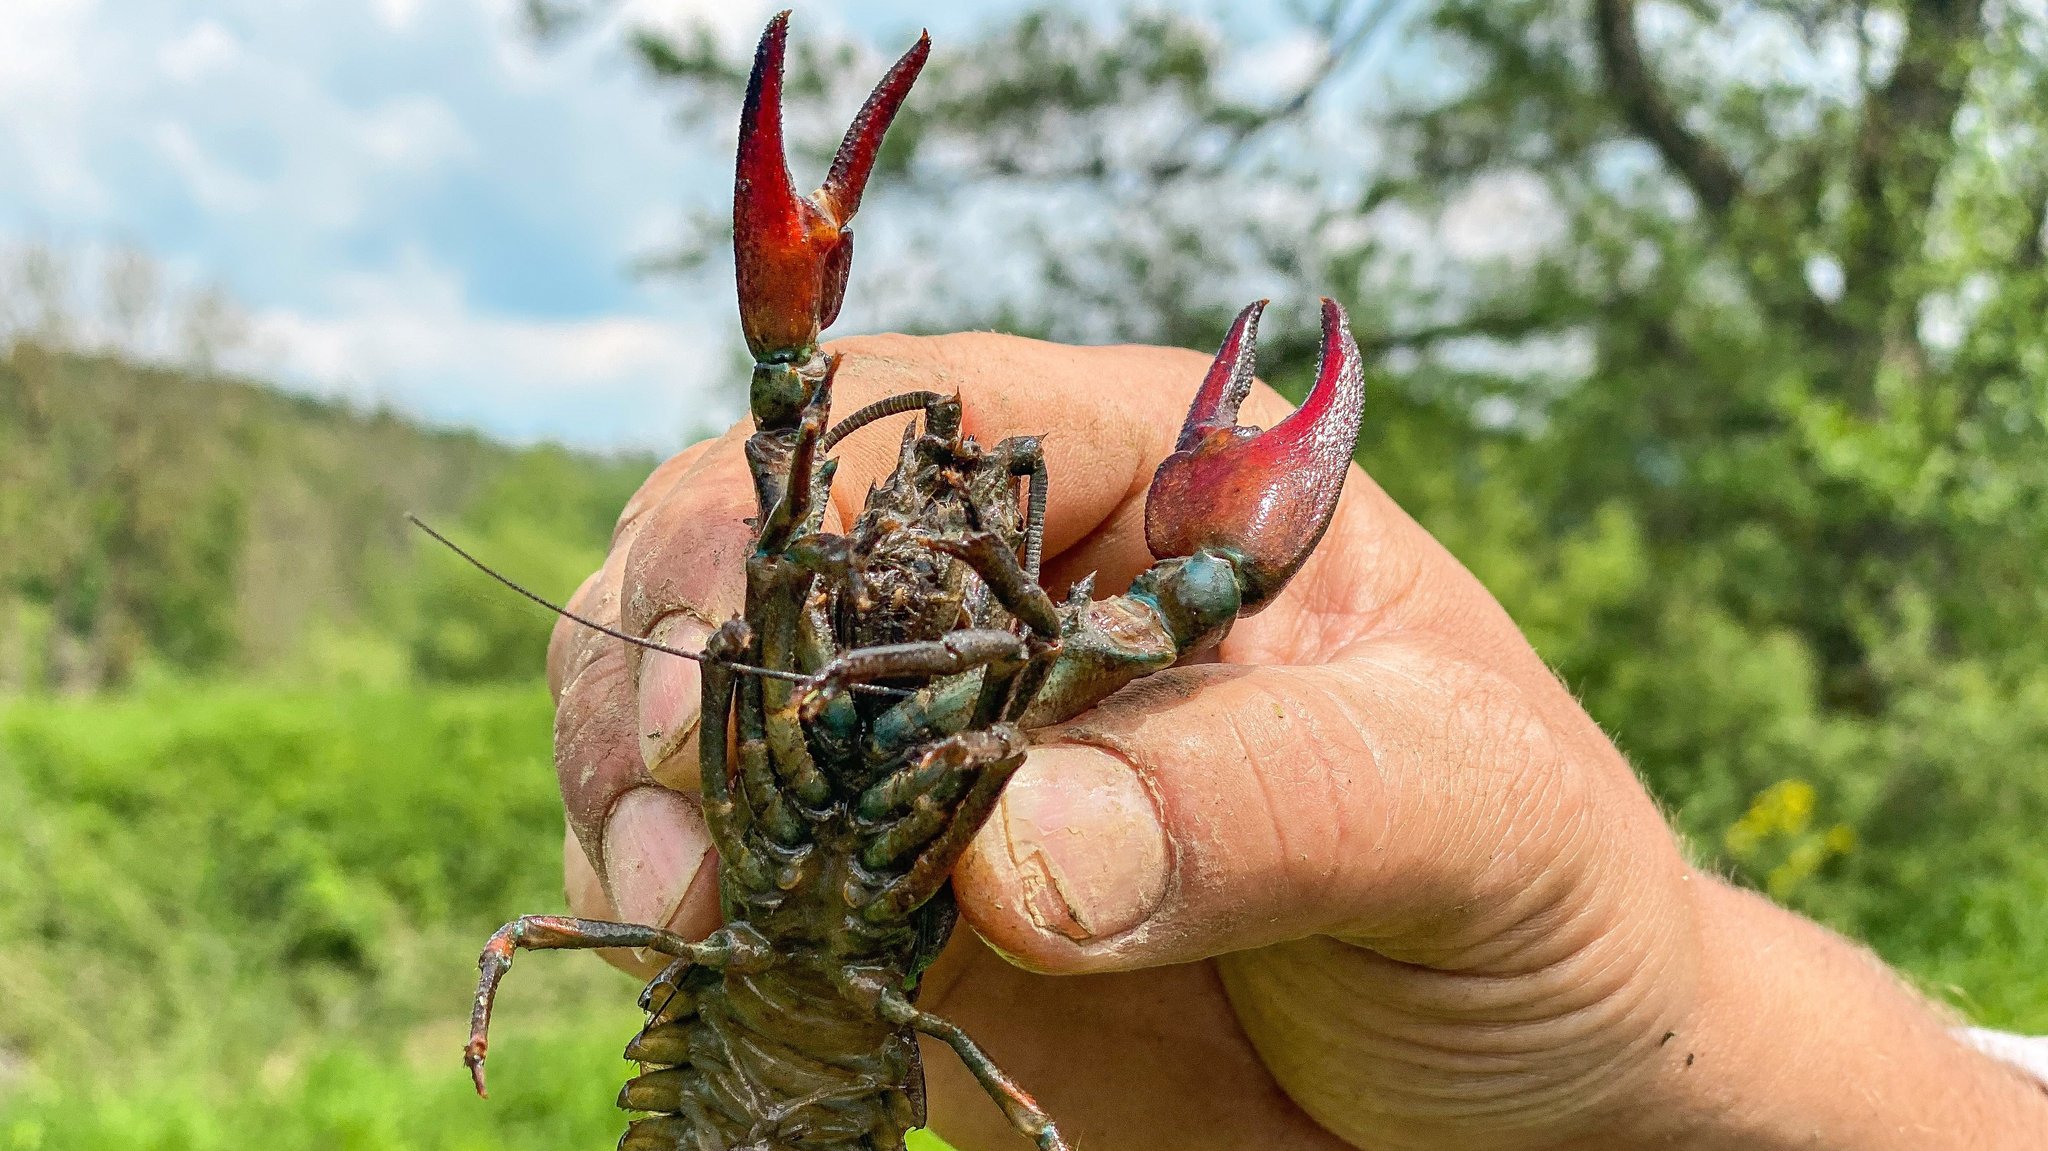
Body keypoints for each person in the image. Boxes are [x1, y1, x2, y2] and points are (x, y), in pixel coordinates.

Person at [544, 331, 2048, 1150]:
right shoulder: (821, 641)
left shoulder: (993, 709)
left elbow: (1161, 617)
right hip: (737, 1055)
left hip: (850, 1044)